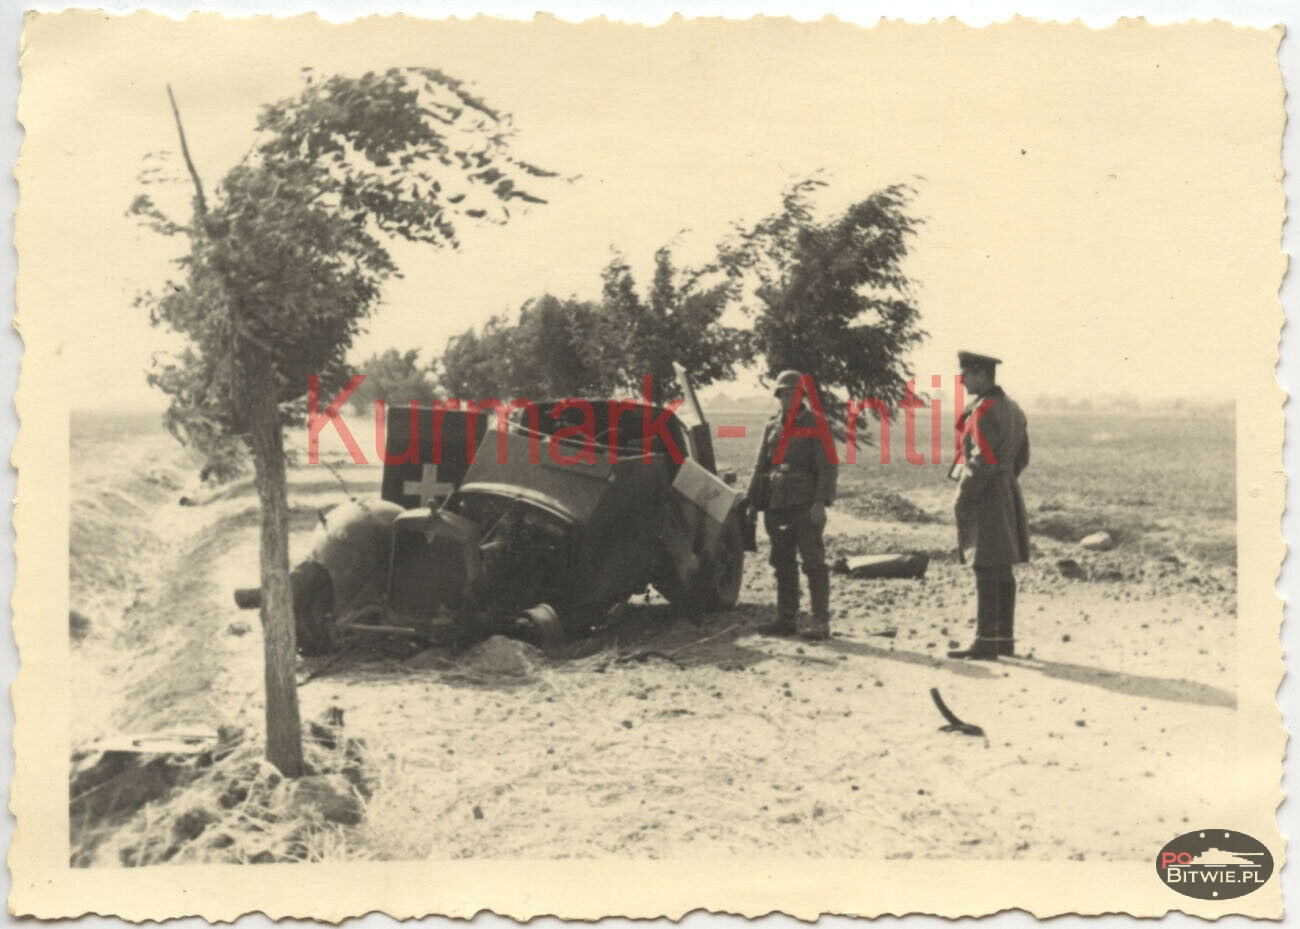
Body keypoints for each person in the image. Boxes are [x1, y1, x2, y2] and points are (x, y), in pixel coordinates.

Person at [948, 351, 1031, 660]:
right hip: (1006, 490)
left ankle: (985, 641)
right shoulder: (1014, 409)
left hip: (985, 494)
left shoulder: (983, 411)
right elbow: (1023, 457)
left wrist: (964, 495)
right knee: (1002, 567)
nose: (962, 381)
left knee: (984, 566)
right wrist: (1005, 479)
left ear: (982, 374)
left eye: (966, 375)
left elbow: (979, 460)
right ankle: (1003, 639)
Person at [745, 370, 838, 639]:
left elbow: (828, 466)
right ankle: (786, 619)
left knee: (813, 561)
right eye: (783, 394)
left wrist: (820, 503)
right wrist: (752, 500)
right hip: (776, 502)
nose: (787, 399)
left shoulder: (816, 423)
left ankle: (820, 621)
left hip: (804, 502)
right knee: (782, 561)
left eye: (792, 394)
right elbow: (761, 465)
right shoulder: (772, 426)